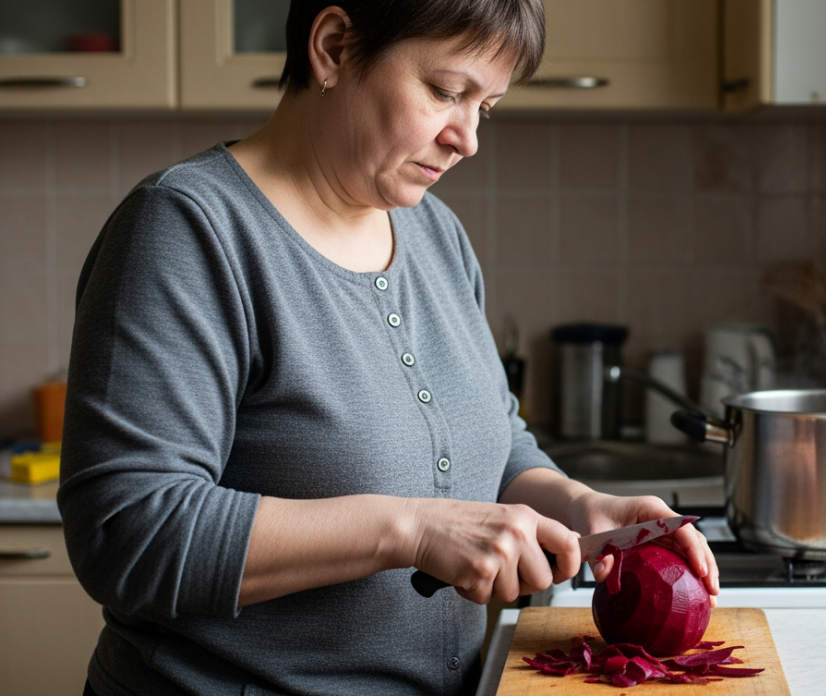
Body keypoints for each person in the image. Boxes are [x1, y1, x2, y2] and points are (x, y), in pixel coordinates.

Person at [57, 1, 719, 694]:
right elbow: (128, 531)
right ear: (334, 47)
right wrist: (409, 529)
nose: (467, 138)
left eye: (485, 107)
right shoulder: (187, 231)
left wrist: (581, 507)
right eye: (446, 92)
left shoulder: (436, 235)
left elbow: (494, 443)